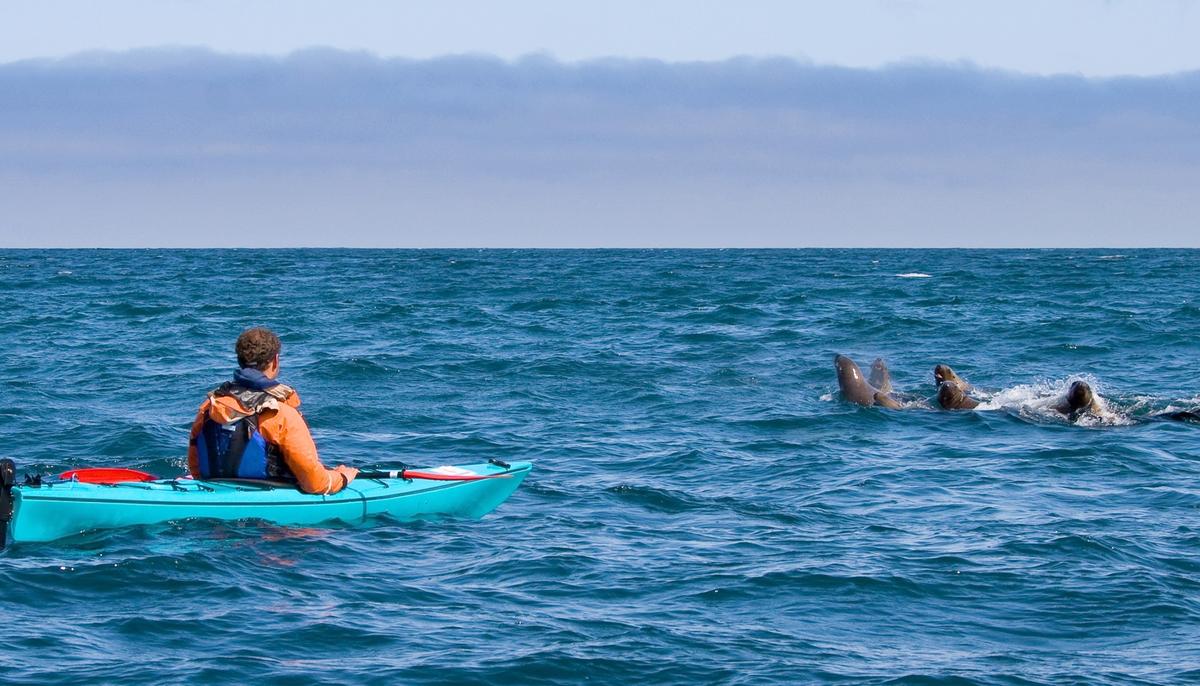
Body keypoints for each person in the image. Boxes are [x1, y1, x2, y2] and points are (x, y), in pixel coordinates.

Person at [187, 327, 358, 494]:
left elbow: (196, 468)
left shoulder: (210, 407)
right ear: (275, 360)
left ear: (240, 360)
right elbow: (315, 484)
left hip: (213, 491)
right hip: (271, 508)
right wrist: (341, 477)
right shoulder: (281, 414)